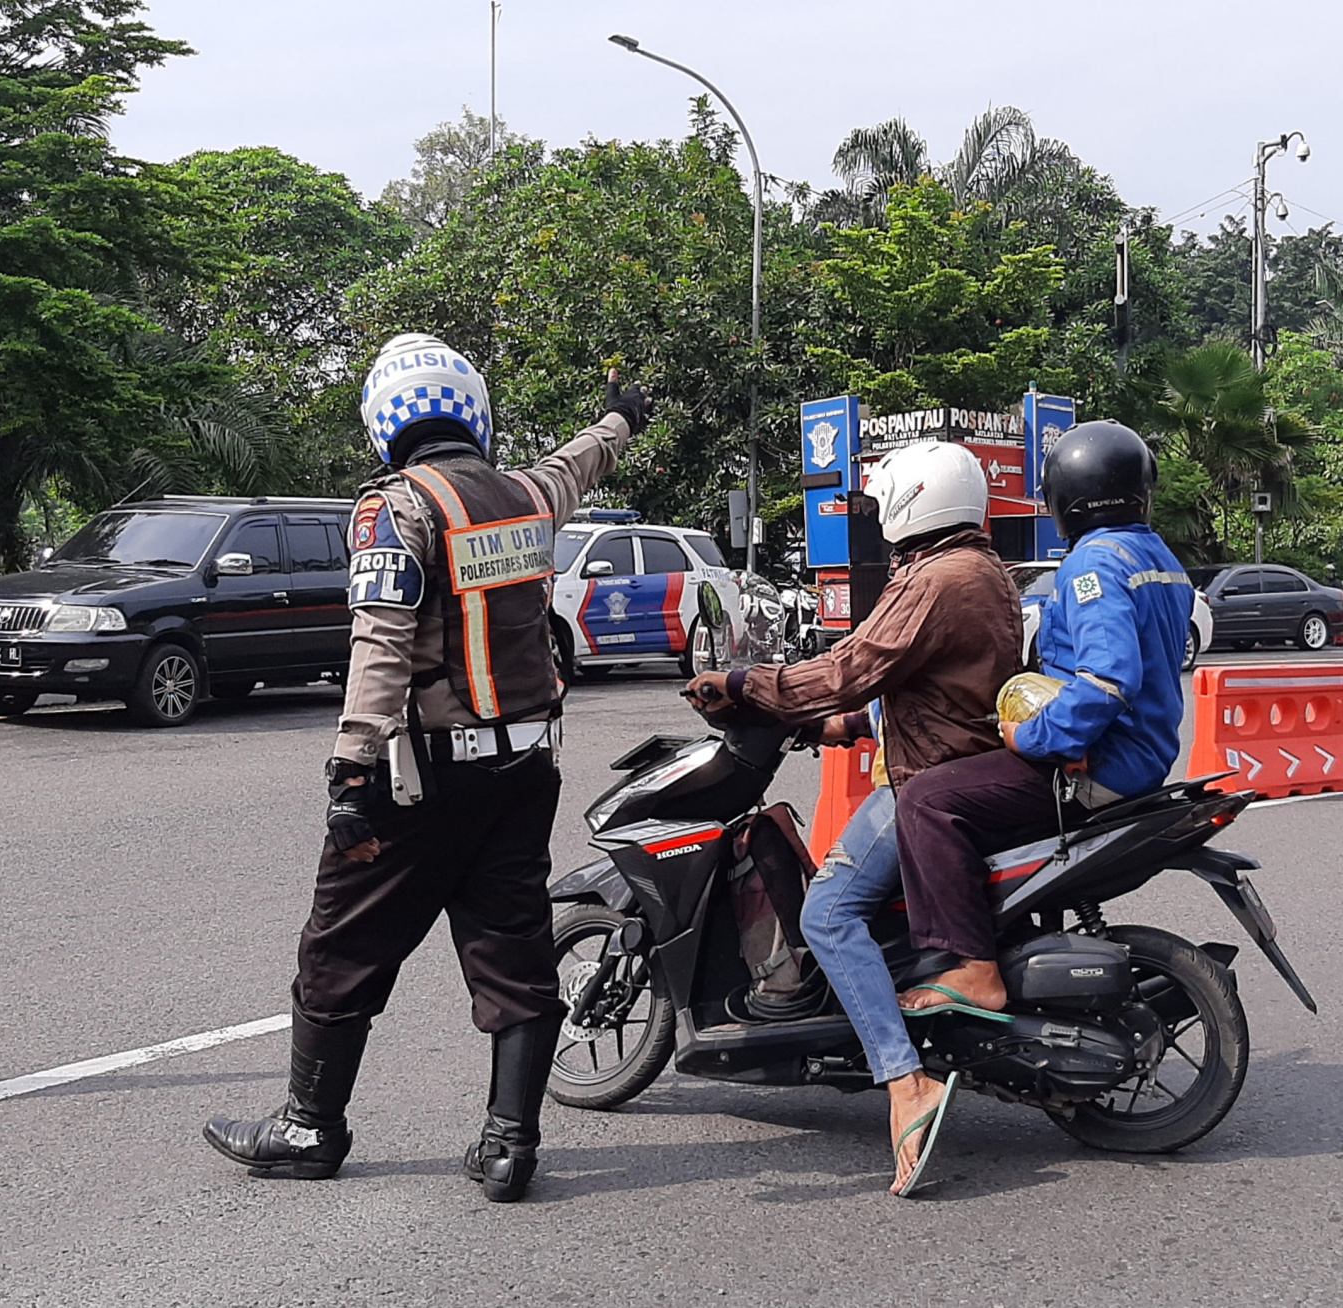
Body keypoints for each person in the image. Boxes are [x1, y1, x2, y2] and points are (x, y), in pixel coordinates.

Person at [204, 334, 651, 1203]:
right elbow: (579, 462)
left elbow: (379, 644)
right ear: (472, 413)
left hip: (422, 782)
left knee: (339, 949)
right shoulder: (524, 497)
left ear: (385, 422)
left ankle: (308, 1127)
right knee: (513, 950)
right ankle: (509, 1145)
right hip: (523, 772)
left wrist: (350, 772)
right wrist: (622, 418)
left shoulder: (395, 508)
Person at [685, 438, 1021, 1196]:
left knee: (829, 912)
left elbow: (849, 668)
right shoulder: (986, 572)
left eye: (882, 505)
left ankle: (904, 1082)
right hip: (958, 758)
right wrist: (842, 728)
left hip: (928, 781)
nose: (878, 523)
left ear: (914, 501)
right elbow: (934, 686)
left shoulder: (936, 578)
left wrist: (746, 683)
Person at [891, 421, 1191, 1016]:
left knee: (927, 801)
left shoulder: (1092, 564)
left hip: (1096, 763)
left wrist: (1030, 736)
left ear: (1066, 502)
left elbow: (1107, 682)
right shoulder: (1159, 559)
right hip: (1143, 758)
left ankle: (971, 968)